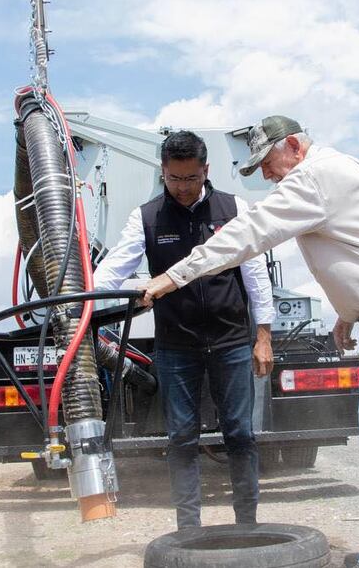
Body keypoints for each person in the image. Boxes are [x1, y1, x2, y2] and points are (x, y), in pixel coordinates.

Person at [142, 116, 359, 568]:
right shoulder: (344, 167)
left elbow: (246, 234)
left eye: (267, 161)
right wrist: (352, 310)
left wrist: (173, 276)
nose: (265, 174)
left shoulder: (311, 178)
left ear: (295, 146)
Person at [93, 130, 274, 529]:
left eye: (191, 178)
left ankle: (247, 524)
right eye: (174, 178)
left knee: (240, 433)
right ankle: (188, 528)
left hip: (231, 341)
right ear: (163, 172)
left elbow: (256, 275)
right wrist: (92, 297)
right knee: (180, 437)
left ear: (205, 171)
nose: (183, 187)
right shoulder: (147, 217)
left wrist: (263, 336)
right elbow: (113, 270)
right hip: (176, 346)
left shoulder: (234, 209)